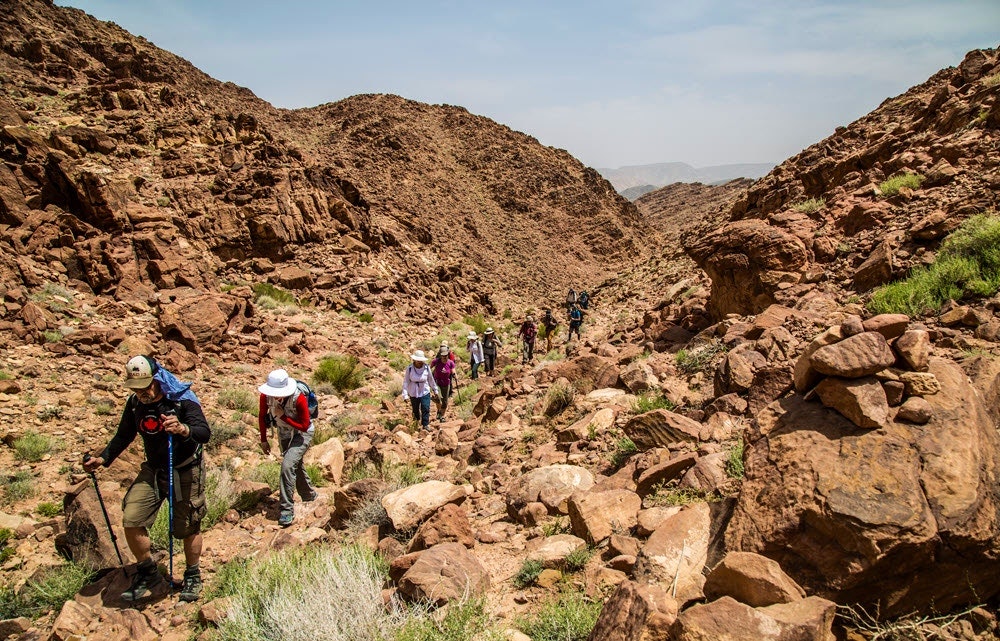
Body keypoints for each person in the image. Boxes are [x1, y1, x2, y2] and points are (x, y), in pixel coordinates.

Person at [82, 355, 210, 603]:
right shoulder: (134, 405)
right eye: (136, 389)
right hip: (153, 469)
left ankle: (193, 574)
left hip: (184, 468)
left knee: (188, 526)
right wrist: (103, 459)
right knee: (132, 517)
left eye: (145, 387)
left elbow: (204, 433)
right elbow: (123, 436)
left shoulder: (182, 402)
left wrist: (183, 429)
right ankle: (148, 572)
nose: (141, 393)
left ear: (157, 380)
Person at [258, 369, 317, 528]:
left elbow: (305, 426)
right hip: (284, 432)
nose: (276, 396)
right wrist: (263, 440)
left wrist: (283, 416)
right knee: (294, 465)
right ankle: (309, 495)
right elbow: (262, 416)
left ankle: (286, 511)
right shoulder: (265, 396)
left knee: (287, 466)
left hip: (302, 433)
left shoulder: (298, 398)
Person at [401, 350, 439, 428]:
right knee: (415, 409)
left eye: (421, 360)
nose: (419, 362)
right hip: (413, 392)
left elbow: (430, 379)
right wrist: (405, 395)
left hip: (424, 390)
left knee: (425, 407)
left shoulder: (426, 367)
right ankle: (416, 423)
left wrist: (435, 390)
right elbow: (406, 381)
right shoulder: (410, 368)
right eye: (418, 360)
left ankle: (425, 424)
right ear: (414, 360)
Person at [431, 345, 456, 422]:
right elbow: (429, 368)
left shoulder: (450, 362)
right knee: (438, 398)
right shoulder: (436, 361)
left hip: (446, 383)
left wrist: (455, 375)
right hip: (437, 382)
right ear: (440, 355)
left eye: (446, 355)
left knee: (445, 401)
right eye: (443, 355)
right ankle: (439, 410)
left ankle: (442, 416)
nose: (444, 357)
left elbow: (453, 370)